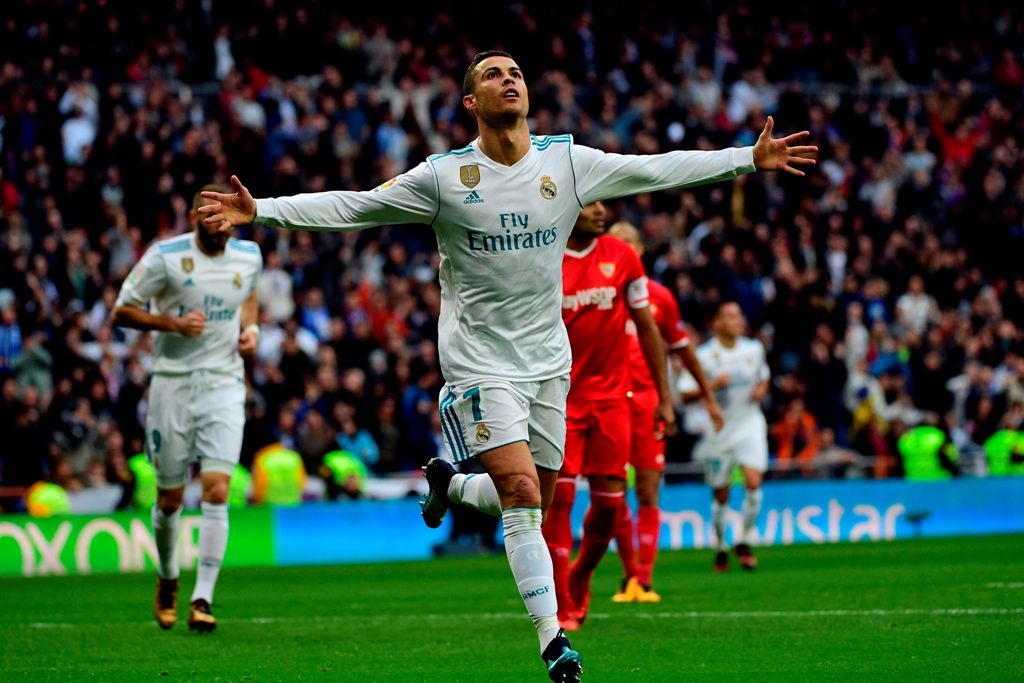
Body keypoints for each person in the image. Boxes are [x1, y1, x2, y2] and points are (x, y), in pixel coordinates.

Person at [198, 50, 815, 681]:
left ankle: (452, 485)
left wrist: (747, 158)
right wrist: (263, 210)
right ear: (471, 102)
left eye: (516, 72)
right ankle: (554, 640)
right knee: (523, 494)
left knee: (536, 502)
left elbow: (657, 170)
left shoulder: (567, 163)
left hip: (548, 362)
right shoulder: (443, 176)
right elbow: (356, 206)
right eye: (493, 75)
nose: (509, 80)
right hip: (478, 362)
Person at [112, 184, 262, 633]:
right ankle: (168, 577)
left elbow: (249, 296)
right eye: (212, 224)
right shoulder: (165, 257)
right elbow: (122, 312)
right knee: (170, 498)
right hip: (172, 387)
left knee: (217, 489)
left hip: (224, 384)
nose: (221, 232)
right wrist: (172, 323)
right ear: (197, 217)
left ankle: (203, 597)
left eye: (227, 224)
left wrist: (250, 329)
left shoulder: (248, 257)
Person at [541, 201, 676, 631]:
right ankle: (563, 603)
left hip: (612, 401)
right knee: (559, 502)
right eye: (590, 203)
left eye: (603, 202)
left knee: (609, 506)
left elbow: (648, 327)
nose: (600, 210)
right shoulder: (544, 257)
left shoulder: (622, 257)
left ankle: (580, 576)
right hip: (558, 400)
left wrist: (665, 397)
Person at [606, 221, 723, 602]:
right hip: (606, 403)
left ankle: (645, 577)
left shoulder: (659, 297)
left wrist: (705, 395)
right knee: (612, 490)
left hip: (646, 403)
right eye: (615, 243)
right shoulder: (595, 292)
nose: (621, 249)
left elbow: (683, 349)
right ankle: (627, 576)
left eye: (628, 243)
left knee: (648, 489)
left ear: (638, 251)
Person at [679, 302, 770, 572]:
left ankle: (742, 540)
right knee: (721, 493)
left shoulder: (754, 349)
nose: (738, 320)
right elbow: (684, 394)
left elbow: (763, 378)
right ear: (717, 324)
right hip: (719, 430)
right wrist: (712, 386)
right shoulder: (704, 356)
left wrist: (760, 391)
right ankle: (721, 545)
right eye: (730, 316)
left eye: (739, 315)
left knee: (754, 482)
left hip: (750, 422)